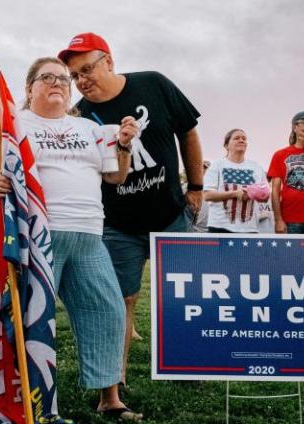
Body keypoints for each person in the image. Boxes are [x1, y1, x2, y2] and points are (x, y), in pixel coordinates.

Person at [0, 56, 141, 418]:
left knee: (108, 310)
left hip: (90, 234)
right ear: (29, 89)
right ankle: (23, 395)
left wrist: (123, 144)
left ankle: (110, 398)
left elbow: (116, 178)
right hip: (37, 235)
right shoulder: (9, 125)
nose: (59, 82)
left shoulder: (90, 129)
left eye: (63, 78)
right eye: (48, 77)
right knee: (30, 317)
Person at [59, 32, 203, 395]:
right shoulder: (80, 116)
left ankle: (187, 364)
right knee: (119, 299)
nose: (82, 80)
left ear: (109, 60)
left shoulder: (153, 84)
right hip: (119, 224)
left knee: (183, 295)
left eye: (87, 69)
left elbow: (188, 131)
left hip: (170, 213)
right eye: (75, 75)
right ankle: (116, 378)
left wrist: (196, 187)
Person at [203, 129, 267, 234]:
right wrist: (235, 193)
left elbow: (265, 196)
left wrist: (253, 193)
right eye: (236, 138)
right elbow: (208, 195)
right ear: (226, 145)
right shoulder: (217, 165)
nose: (241, 140)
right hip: (220, 226)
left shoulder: (256, 167)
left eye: (244, 138)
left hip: (249, 228)